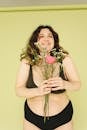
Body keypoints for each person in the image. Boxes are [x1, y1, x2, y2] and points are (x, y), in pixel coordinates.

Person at [15, 25, 81, 130]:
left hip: (62, 119)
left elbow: (77, 84)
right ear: (35, 41)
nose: (46, 39)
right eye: (41, 36)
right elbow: (18, 90)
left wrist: (64, 84)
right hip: (33, 120)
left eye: (50, 36)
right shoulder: (27, 61)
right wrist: (38, 91)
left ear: (54, 40)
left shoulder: (64, 59)